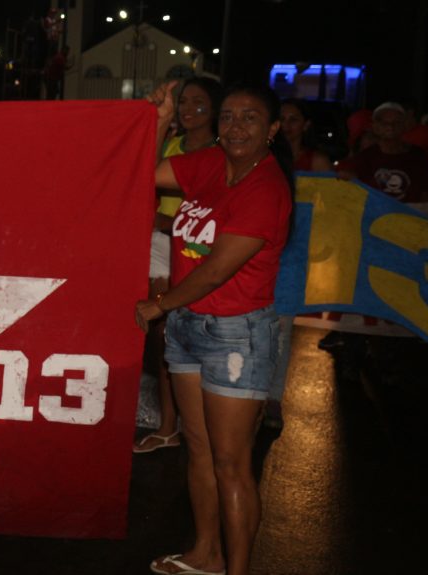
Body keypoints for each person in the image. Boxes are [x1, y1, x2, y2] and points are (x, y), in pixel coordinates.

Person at [137, 81, 292, 575]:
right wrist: (162, 119)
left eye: (250, 117)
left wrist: (159, 305)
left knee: (231, 463)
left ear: (272, 129)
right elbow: (141, 174)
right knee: (200, 451)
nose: (236, 126)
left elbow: (216, 270)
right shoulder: (208, 164)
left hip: (235, 335)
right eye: (228, 116)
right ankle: (206, 554)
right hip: (188, 326)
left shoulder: (266, 188)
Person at [135, 76, 223, 454]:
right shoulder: (171, 145)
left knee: (196, 337)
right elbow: (142, 179)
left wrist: (167, 222)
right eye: (183, 102)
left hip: (200, 251)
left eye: (198, 103)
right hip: (161, 247)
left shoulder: (224, 153)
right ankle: (168, 426)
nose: (188, 110)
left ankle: (204, 425)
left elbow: (215, 215)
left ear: (216, 108)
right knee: (164, 338)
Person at [338, 101, 428, 203]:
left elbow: (427, 194)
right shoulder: (365, 157)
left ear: (404, 125)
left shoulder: (418, 155)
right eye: (384, 123)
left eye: (396, 122)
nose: (390, 127)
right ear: (375, 127)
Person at [279, 99, 332, 172]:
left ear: (306, 125)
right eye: (282, 119)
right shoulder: (267, 157)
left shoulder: (317, 162)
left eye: (293, 120)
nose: (285, 125)